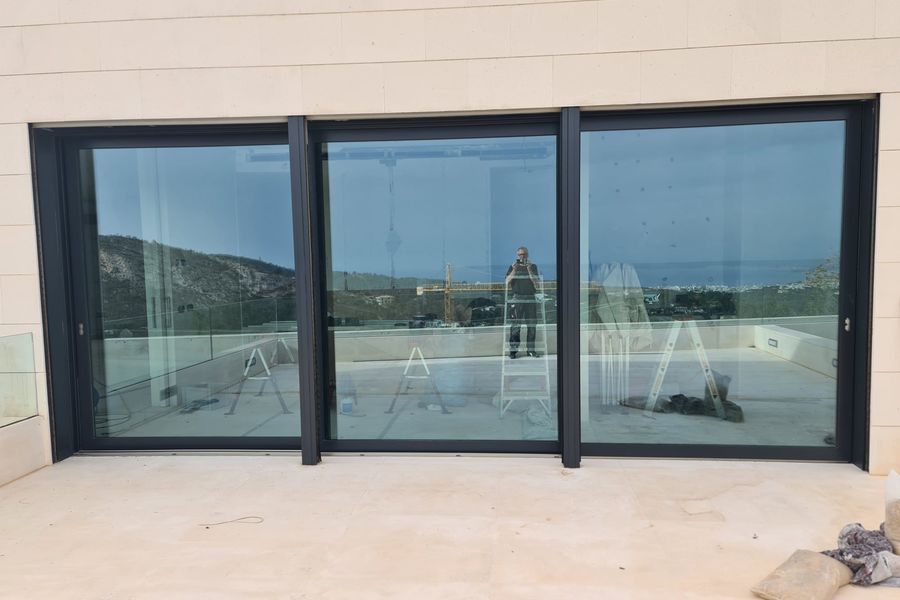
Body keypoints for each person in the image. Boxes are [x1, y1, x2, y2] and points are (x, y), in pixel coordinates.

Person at [505, 246, 541, 358]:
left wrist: (529, 269)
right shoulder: (513, 267)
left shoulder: (533, 266)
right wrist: (514, 270)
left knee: (532, 325)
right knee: (515, 325)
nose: (522, 256)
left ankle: (531, 350)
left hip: (530, 297)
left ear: (527, 255)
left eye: (524, 254)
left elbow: (536, 283)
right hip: (517, 297)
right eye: (520, 254)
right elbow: (507, 281)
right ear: (517, 255)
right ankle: (513, 351)